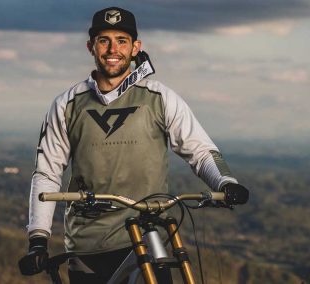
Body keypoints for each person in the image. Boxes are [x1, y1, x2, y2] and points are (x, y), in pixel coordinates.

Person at [19, 6, 249, 283]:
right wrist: (38, 239)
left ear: (135, 46)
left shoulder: (160, 97)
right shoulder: (67, 104)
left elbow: (199, 150)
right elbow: (47, 172)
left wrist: (225, 182)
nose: (112, 48)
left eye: (122, 40)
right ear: (91, 46)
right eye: (104, 40)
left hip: (151, 232)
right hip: (88, 241)